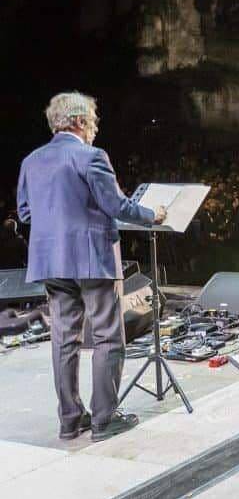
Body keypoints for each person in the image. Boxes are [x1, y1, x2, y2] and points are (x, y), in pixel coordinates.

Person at [17, 92, 166, 442]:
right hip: (90, 260)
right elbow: (116, 205)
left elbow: (25, 214)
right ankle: (104, 418)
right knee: (107, 337)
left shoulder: (31, 161)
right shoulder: (91, 156)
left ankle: (70, 419)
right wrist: (152, 215)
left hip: (50, 261)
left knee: (63, 339)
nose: (95, 129)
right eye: (93, 123)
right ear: (80, 122)